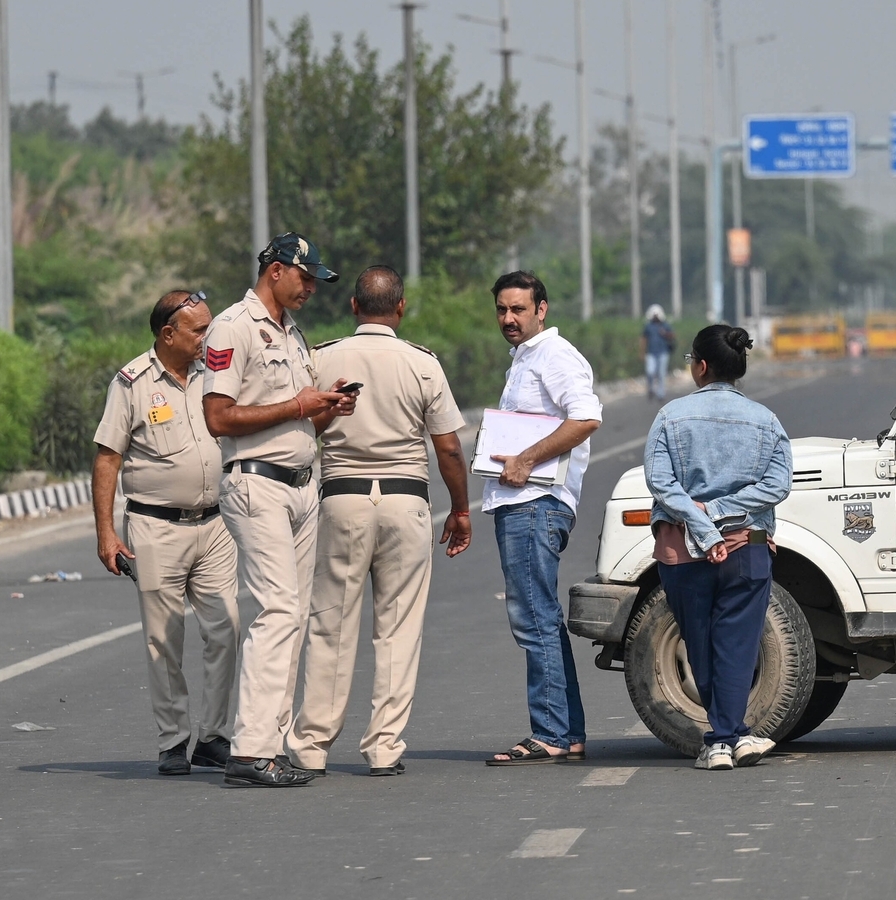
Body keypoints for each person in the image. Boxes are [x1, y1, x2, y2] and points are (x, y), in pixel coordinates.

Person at [287, 266, 472, 778]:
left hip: (341, 498)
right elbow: (449, 447)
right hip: (405, 501)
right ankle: (384, 747)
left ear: (352, 306)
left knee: (330, 625)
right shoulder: (422, 364)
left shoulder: (321, 358)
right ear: (401, 308)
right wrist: (460, 509)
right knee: (397, 628)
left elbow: (302, 424)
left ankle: (311, 745)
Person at [202, 232, 355, 787]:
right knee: (277, 612)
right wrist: (298, 404)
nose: (312, 287)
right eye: (305, 276)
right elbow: (219, 417)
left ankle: (268, 745)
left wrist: (328, 408)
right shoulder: (232, 327)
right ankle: (248, 751)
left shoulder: (292, 335)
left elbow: (299, 420)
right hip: (256, 485)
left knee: (291, 617)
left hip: (299, 484)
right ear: (275, 271)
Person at [91, 290, 241, 777]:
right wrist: (106, 534)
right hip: (155, 527)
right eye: (198, 329)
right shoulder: (132, 383)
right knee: (164, 639)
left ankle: (214, 737)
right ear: (167, 334)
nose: (207, 337)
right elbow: (107, 458)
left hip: (215, 524)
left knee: (226, 629)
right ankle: (174, 741)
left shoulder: (214, 375)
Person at [644, 325, 791, 770]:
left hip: (683, 551)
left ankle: (723, 739)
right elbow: (778, 485)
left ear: (701, 366)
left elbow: (660, 482)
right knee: (737, 644)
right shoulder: (766, 420)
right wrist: (726, 510)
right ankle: (735, 736)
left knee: (700, 641)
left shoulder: (670, 416)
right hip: (747, 547)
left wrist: (702, 519)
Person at [482, 271, 602, 766]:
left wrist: (527, 459)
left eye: (519, 310)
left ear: (542, 309)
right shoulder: (526, 358)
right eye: (502, 310)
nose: (509, 319)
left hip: (535, 503)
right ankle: (566, 730)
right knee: (541, 618)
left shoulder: (554, 355)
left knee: (533, 618)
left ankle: (550, 731)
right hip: (521, 502)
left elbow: (586, 416)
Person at [641, 304, 675, 401]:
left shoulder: (665, 325)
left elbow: (672, 335)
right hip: (651, 353)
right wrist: (642, 352)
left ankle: (661, 394)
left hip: (663, 353)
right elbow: (643, 339)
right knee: (650, 372)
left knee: (661, 374)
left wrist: (665, 333)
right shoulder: (648, 326)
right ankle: (651, 389)